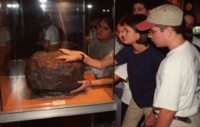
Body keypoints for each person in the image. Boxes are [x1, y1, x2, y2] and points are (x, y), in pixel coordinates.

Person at [57, 14, 164, 127]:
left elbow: (165, 88)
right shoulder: (128, 51)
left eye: (126, 31)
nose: (121, 34)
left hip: (152, 104)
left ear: (138, 35)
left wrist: (154, 112)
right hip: (136, 100)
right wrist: (81, 56)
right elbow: (100, 64)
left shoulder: (156, 58)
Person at [136, 4, 200, 127]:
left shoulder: (172, 63)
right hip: (192, 117)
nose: (149, 35)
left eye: (152, 31)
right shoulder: (191, 49)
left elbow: (168, 110)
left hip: (176, 121)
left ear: (169, 31)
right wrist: (153, 114)